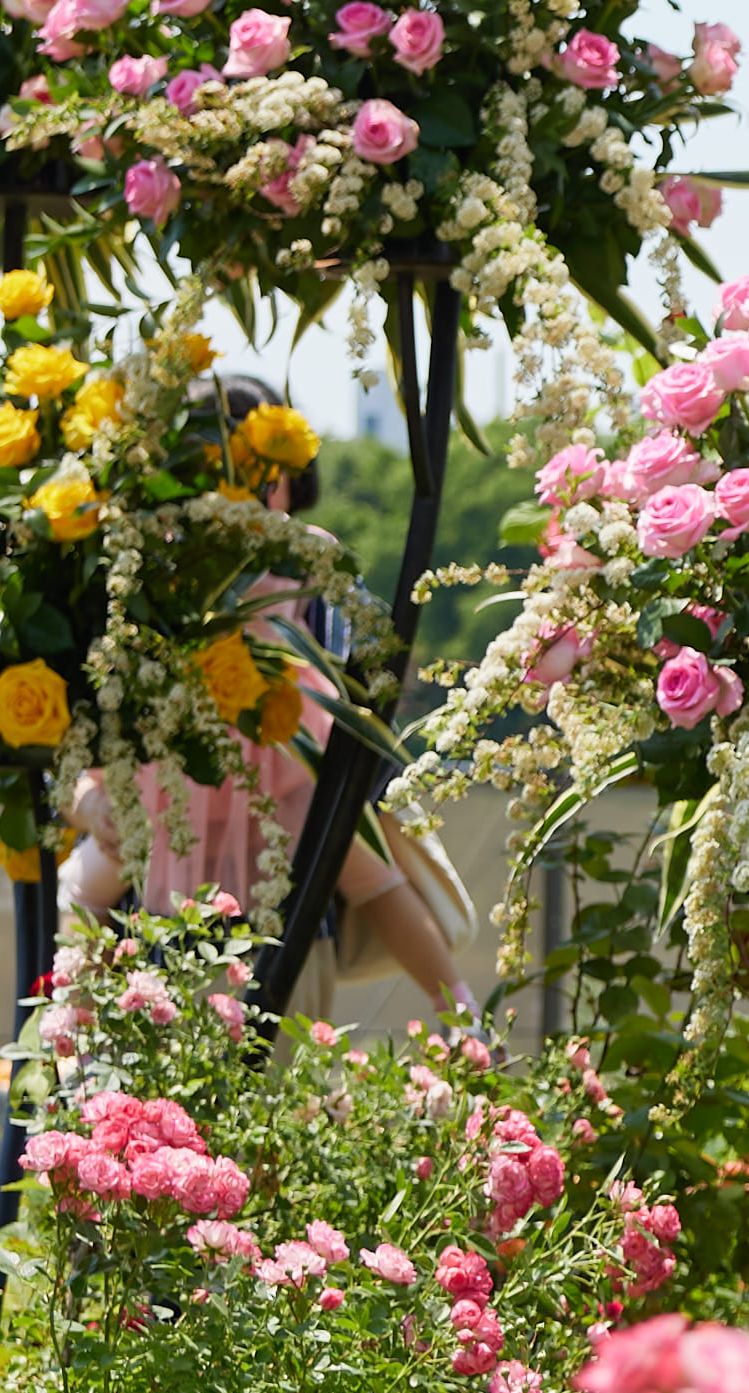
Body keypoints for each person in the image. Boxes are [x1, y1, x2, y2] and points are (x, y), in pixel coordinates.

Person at [58, 376, 460, 1005]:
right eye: (218, 474)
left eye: (259, 475)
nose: (239, 495)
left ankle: (459, 1011)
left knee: (363, 867)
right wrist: (91, 800)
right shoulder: (150, 571)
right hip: (172, 799)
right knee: (88, 884)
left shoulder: (305, 563)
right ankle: (65, 1042)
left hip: (284, 795)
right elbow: (90, 716)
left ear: (292, 479)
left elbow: (363, 702)